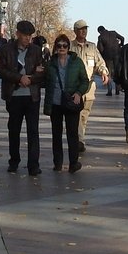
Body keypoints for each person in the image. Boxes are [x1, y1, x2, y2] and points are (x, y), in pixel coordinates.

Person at [0, 20, 45, 175]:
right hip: (14, 95)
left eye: (30, 36)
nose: (27, 39)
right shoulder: (6, 50)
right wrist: (18, 78)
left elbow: (43, 71)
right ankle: (14, 160)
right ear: (17, 34)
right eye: (24, 36)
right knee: (14, 129)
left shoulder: (36, 51)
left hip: (32, 96)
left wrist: (31, 78)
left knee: (33, 131)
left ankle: (33, 165)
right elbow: (0, 70)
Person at [44, 33, 89, 172]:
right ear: (56, 47)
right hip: (55, 103)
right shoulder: (51, 63)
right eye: (59, 45)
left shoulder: (76, 62)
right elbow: (44, 81)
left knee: (72, 134)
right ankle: (57, 163)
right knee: (56, 134)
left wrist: (78, 93)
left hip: (71, 103)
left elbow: (85, 81)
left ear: (68, 47)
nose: (62, 48)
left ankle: (73, 163)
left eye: (64, 45)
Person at [68, 19, 109, 143]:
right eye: (81, 29)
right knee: (76, 114)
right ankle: (79, 140)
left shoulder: (92, 47)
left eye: (85, 29)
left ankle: (79, 137)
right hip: (74, 86)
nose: (84, 31)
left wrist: (103, 72)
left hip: (89, 86)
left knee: (84, 114)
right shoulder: (69, 46)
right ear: (75, 31)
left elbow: (99, 62)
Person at [96, 26, 123, 96]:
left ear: (99, 31)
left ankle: (110, 91)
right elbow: (122, 38)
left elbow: (100, 49)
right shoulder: (113, 33)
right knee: (117, 71)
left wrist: (102, 56)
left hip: (107, 56)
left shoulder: (101, 37)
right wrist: (120, 45)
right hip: (117, 54)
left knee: (109, 73)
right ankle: (117, 89)